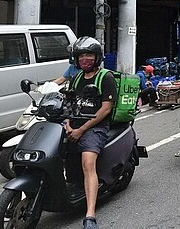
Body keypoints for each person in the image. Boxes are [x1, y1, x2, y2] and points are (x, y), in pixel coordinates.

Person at [65, 36, 117, 229]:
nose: (85, 59)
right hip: (75, 125)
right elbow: (69, 103)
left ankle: (90, 214)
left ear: (97, 58)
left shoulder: (106, 77)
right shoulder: (76, 78)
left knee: (88, 163)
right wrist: (69, 125)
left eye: (89, 55)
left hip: (95, 127)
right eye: (81, 56)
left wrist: (80, 130)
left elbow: (105, 109)